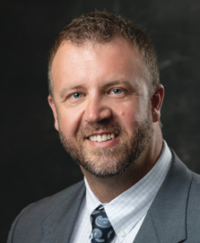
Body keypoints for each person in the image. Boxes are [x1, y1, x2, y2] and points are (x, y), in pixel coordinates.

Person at [7, 11, 200, 243]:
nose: (94, 114)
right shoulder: (29, 227)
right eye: (76, 95)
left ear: (154, 102)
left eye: (116, 91)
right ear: (55, 112)